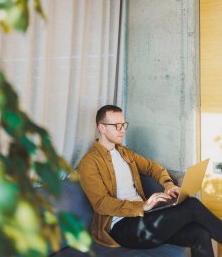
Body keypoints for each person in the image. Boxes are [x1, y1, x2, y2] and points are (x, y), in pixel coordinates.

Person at [78, 105, 222, 257]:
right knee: (192, 205)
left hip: (143, 219)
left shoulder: (124, 152)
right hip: (121, 228)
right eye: (117, 126)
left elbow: (152, 167)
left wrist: (168, 184)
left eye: (124, 125)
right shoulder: (89, 163)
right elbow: (101, 204)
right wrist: (143, 206)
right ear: (102, 128)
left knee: (199, 233)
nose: (123, 129)